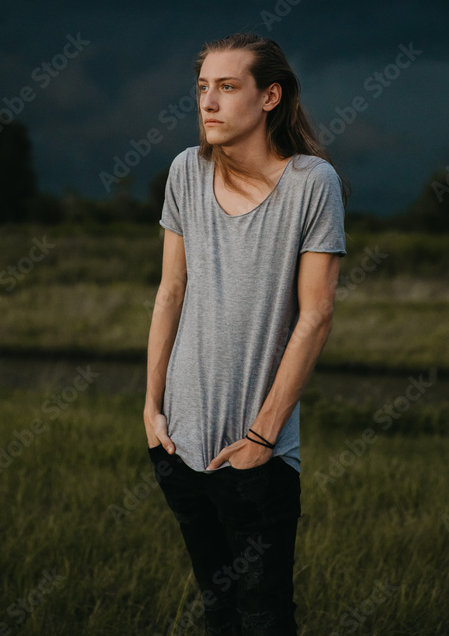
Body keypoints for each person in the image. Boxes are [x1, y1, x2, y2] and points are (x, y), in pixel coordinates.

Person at [144, 31, 349, 636]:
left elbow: (316, 316)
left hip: (257, 458)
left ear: (270, 97)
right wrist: (151, 412)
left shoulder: (312, 184)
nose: (208, 102)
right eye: (203, 87)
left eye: (227, 87)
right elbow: (170, 292)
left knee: (265, 617)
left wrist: (261, 437)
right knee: (219, 612)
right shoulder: (185, 170)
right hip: (178, 448)